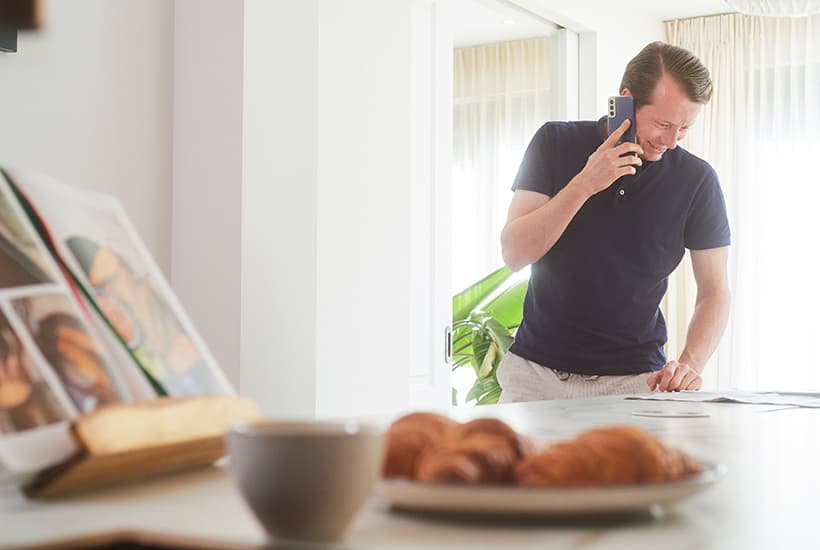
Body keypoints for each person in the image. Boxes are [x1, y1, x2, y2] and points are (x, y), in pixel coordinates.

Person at [497, 42, 731, 402]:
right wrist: (585, 183)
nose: (670, 141)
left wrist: (689, 364)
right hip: (535, 375)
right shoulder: (555, 142)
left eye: (684, 129)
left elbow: (715, 291)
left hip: (634, 381)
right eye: (663, 124)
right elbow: (514, 253)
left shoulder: (697, 180)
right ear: (626, 100)